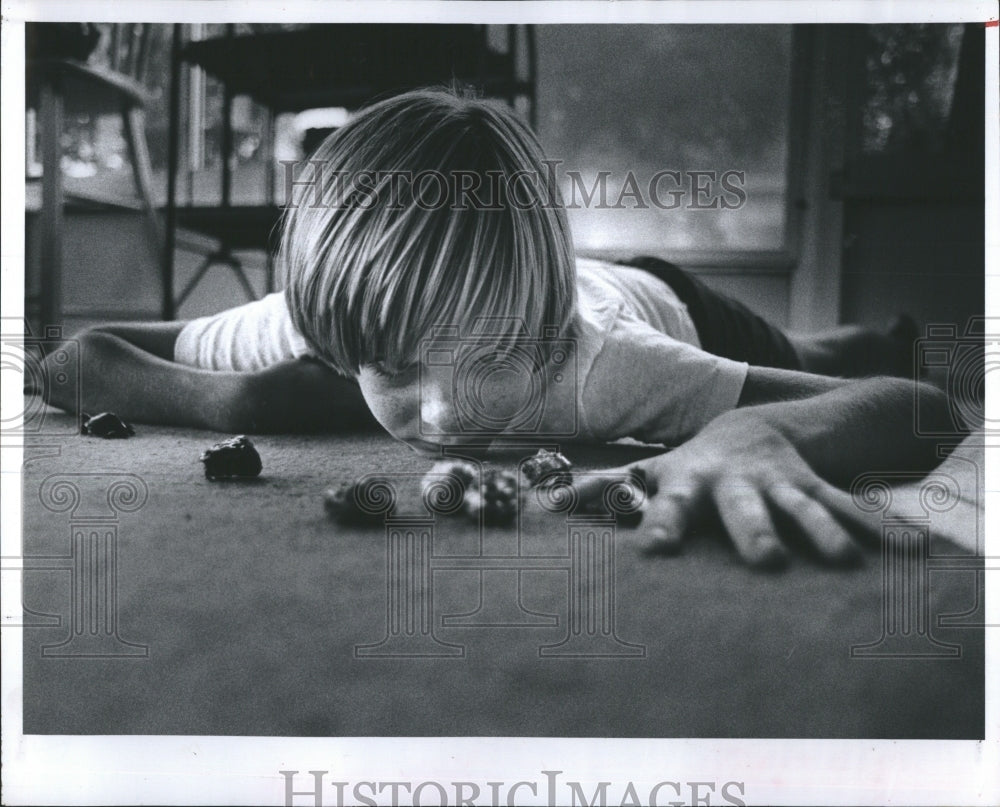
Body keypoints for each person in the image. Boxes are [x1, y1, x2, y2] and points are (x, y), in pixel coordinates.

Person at [39, 88, 952, 568]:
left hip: (674, 302)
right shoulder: (332, 311)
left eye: (492, 359)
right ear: (337, 337)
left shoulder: (608, 370)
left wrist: (751, 424)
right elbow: (75, 360)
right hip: (564, 288)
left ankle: (879, 326)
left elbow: (921, 410)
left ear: (539, 333)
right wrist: (231, 397)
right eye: (392, 368)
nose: (441, 416)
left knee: (821, 354)